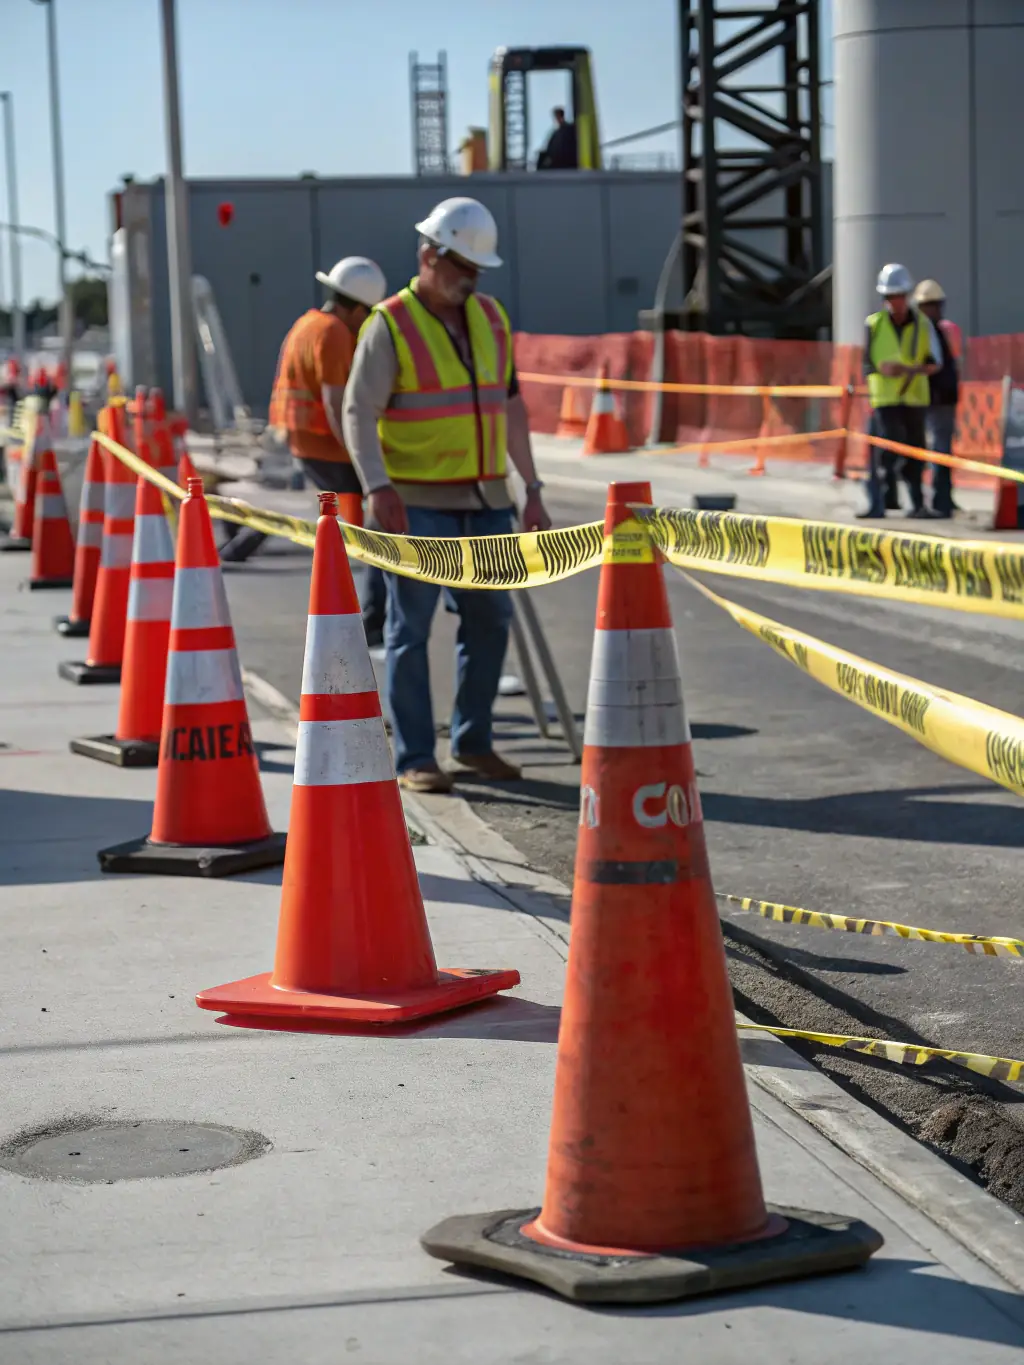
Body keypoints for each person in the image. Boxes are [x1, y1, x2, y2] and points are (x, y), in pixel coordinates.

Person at [343, 196, 552, 795]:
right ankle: (414, 756)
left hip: (487, 501)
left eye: (477, 270)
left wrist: (530, 488)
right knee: (410, 630)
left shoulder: (491, 318)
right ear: (428, 256)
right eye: (461, 267)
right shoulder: (390, 323)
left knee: (490, 621)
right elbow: (358, 412)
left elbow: (510, 406)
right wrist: (378, 486)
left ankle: (474, 742)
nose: (470, 280)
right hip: (416, 503)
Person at [219, 256, 389, 645]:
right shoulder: (334, 333)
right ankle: (374, 615)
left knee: (337, 518)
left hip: (303, 441)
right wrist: (362, 456)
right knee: (378, 517)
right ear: (359, 307)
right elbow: (335, 403)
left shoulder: (307, 323)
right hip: (326, 445)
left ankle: (370, 611)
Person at [858, 262, 940, 520]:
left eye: (899, 296)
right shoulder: (874, 324)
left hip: (914, 398)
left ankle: (917, 504)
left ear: (907, 296)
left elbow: (935, 361)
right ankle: (880, 503)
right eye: (891, 297)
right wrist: (884, 370)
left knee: (915, 451)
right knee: (886, 451)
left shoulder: (922, 324)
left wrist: (913, 370)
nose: (896, 302)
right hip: (885, 399)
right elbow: (867, 363)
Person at [913, 278, 961, 518]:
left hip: (944, 398)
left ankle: (945, 497)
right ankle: (939, 500)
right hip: (932, 398)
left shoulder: (937, 330)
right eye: (930, 305)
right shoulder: (923, 331)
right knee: (937, 450)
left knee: (943, 449)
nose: (934, 309)